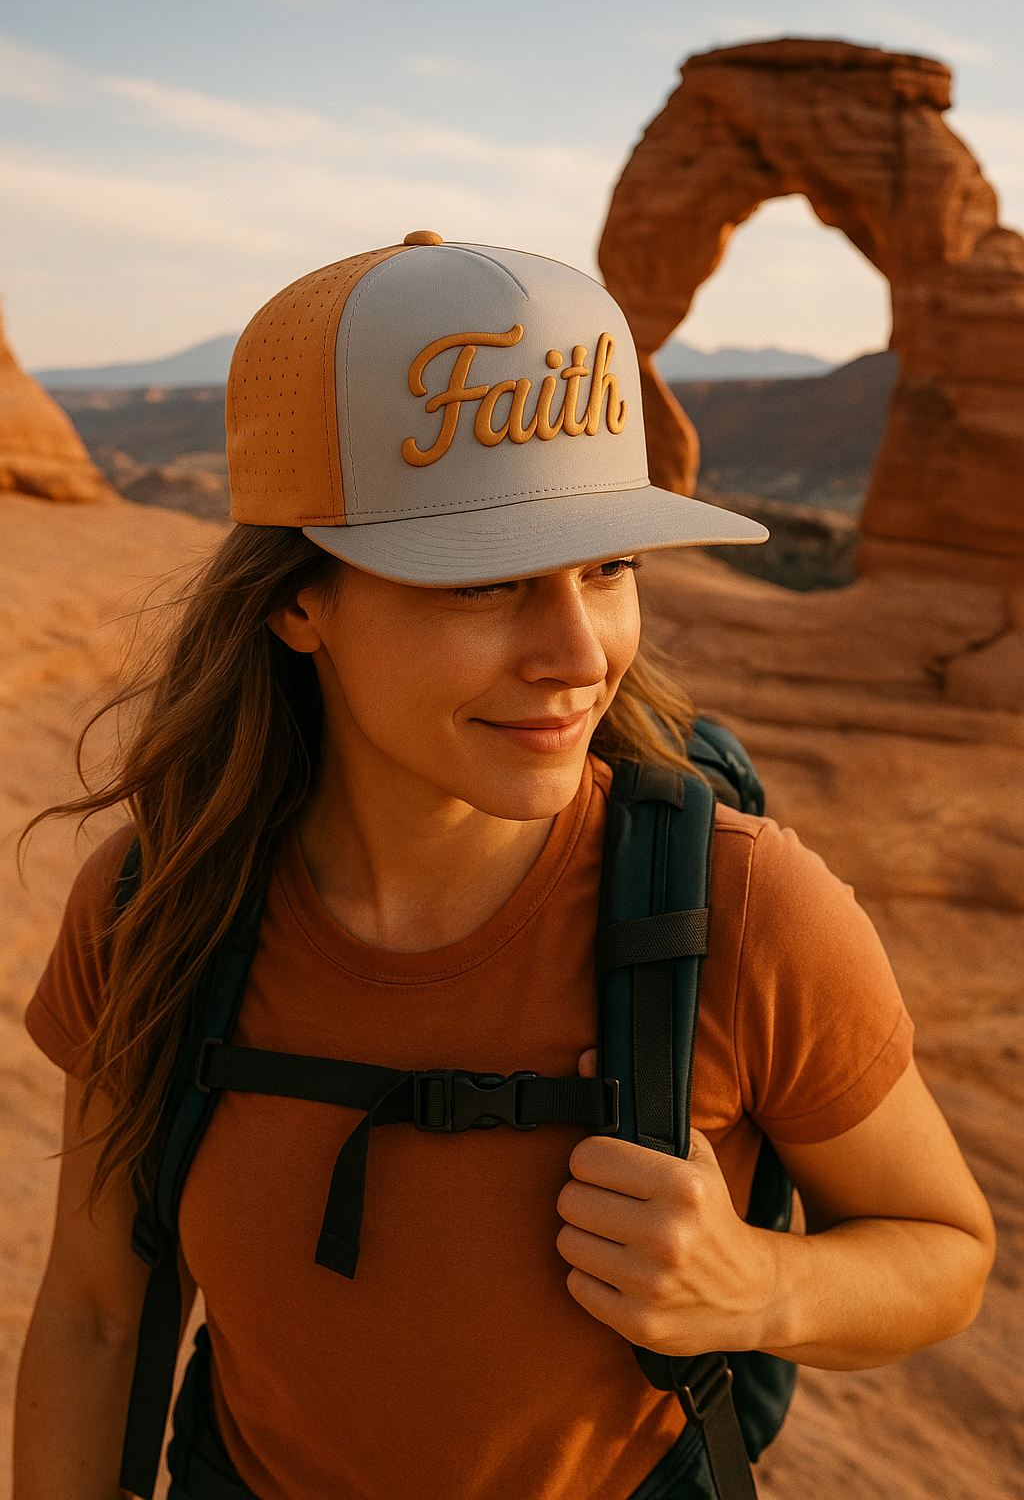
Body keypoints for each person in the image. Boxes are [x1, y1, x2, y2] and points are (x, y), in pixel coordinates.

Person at [14, 234, 994, 1500]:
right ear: (297, 602)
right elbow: (98, 1311)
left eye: (608, 568)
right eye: (481, 583)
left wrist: (761, 1284)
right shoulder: (160, 905)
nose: (579, 653)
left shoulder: (744, 908)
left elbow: (944, 1257)